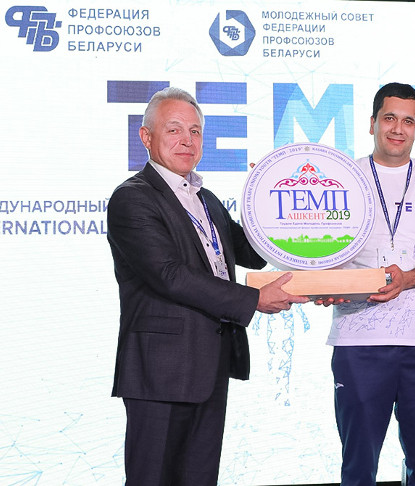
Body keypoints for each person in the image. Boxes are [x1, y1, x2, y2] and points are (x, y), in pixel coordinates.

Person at [106, 86, 308, 486]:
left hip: (209, 365)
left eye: (195, 131)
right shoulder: (133, 198)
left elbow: (252, 253)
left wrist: (268, 195)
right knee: (153, 478)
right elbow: (169, 275)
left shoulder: (206, 199)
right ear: (146, 137)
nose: (187, 140)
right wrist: (254, 299)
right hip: (161, 370)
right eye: (174, 129)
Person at [321, 82, 415, 485]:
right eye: (389, 118)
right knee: (358, 469)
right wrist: (326, 284)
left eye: (408, 121)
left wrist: (407, 279)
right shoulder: (342, 178)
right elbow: (321, 252)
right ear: (372, 123)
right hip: (358, 342)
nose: (398, 129)